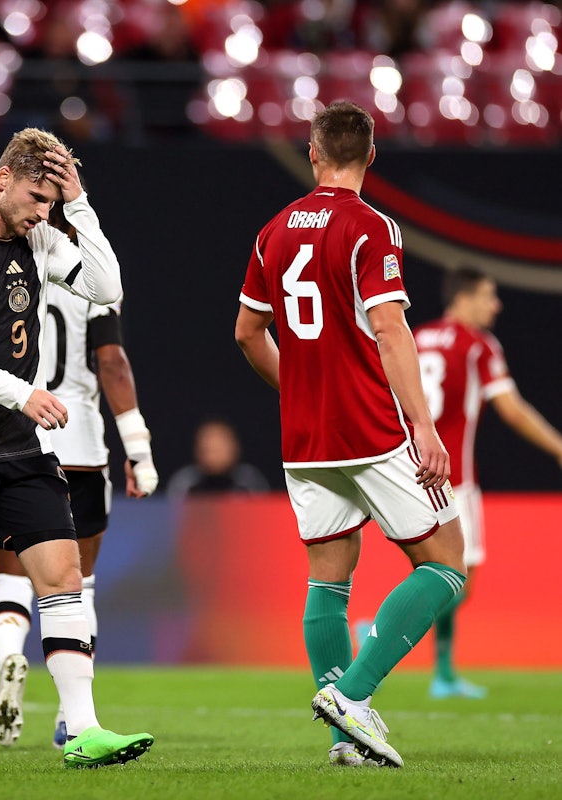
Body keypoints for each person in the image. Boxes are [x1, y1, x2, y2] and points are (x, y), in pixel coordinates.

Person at [0, 127, 153, 770]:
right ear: (3, 176)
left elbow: (106, 286)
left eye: (52, 201)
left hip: (24, 451)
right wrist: (23, 393)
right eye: (38, 197)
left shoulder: (43, 237)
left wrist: (81, 204)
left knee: (64, 576)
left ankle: (84, 726)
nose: (43, 213)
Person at [234, 100, 466, 769]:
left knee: (327, 583)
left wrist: (301, 390)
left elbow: (248, 334)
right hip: (367, 428)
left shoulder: (272, 231)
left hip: (304, 440)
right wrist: (422, 425)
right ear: (370, 156)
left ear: (311, 153)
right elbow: (389, 328)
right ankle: (354, 698)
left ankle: (344, 745)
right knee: (446, 562)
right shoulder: (370, 226)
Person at [0, 197, 159, 750]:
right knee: (77, 587)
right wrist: (138, 446)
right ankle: (70, 716)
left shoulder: (2, 263)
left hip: (14, 440)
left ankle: (11, 656)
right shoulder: (90, 270)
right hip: (79, 443)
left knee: (11, 577)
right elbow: (112, 362)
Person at [414, 266, 562, 699]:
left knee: (435, 572)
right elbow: (511, 409)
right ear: (464, 298)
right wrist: (557, 445)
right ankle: (380, 630)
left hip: (409, 473)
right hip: (454, 477)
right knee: (461, 578)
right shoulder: (478, 345)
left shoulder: (416, 336)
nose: (495, 305)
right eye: (488, 295)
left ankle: (443, 674)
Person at [165, 417, 271, 497]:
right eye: (207, 449)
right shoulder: (185, 483)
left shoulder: (250, 482)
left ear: (234, 448)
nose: (212, 455)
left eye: (218, 448)